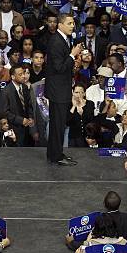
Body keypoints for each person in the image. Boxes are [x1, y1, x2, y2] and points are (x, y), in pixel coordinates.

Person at [45, 13, 82, 165]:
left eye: (73, 23)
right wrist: (73, 55)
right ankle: (56, 156)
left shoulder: (63, 39)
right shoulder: (56, 42)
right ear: (60, 25)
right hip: (57, 91)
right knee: (58, 125)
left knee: (58, 124)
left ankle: (55, 153)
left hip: (61, 89)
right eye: (69, 23)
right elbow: (59, 67)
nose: (72, 26)